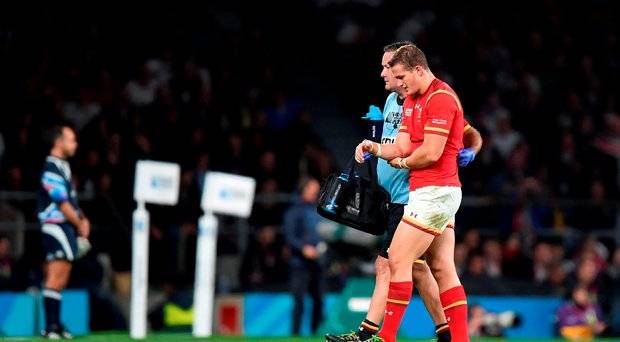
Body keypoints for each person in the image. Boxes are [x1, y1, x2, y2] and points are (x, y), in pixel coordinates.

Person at [326, 42, 482, 342]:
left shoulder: (441, 98)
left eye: (399, 75)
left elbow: (431, 153)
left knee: (395, 260)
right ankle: (455, 337)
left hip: (434, 192)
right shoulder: (409, 99)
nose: (396, 81)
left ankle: (382, 337)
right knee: (438, 267)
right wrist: (375, 147)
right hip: (424, 192)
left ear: (417, 70)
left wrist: (404, 161)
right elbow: (403, 145)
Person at [38, 125, 91, 339]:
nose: (75, 144)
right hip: (55, 225)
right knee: (55, 276)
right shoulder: (51, 167)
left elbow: (71, 200)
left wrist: (82, 219)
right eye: (71, 140)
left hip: (66, 225)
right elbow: (61, 202)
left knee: (62, 279)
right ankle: (50, 326)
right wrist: (79, 223)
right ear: (58, 141)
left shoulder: (63, 166)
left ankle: (55, 324)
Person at [283, 177, 327, 335]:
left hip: (318, 263)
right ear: (304, 189)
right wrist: (303, 249)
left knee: (319, 301)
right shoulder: (294, 211)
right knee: (299, 302)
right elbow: (289, 236)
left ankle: (316, 334)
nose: (315, 192)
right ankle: (295, 335)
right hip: (299, 265)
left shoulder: (319, 210)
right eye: (312, 189)